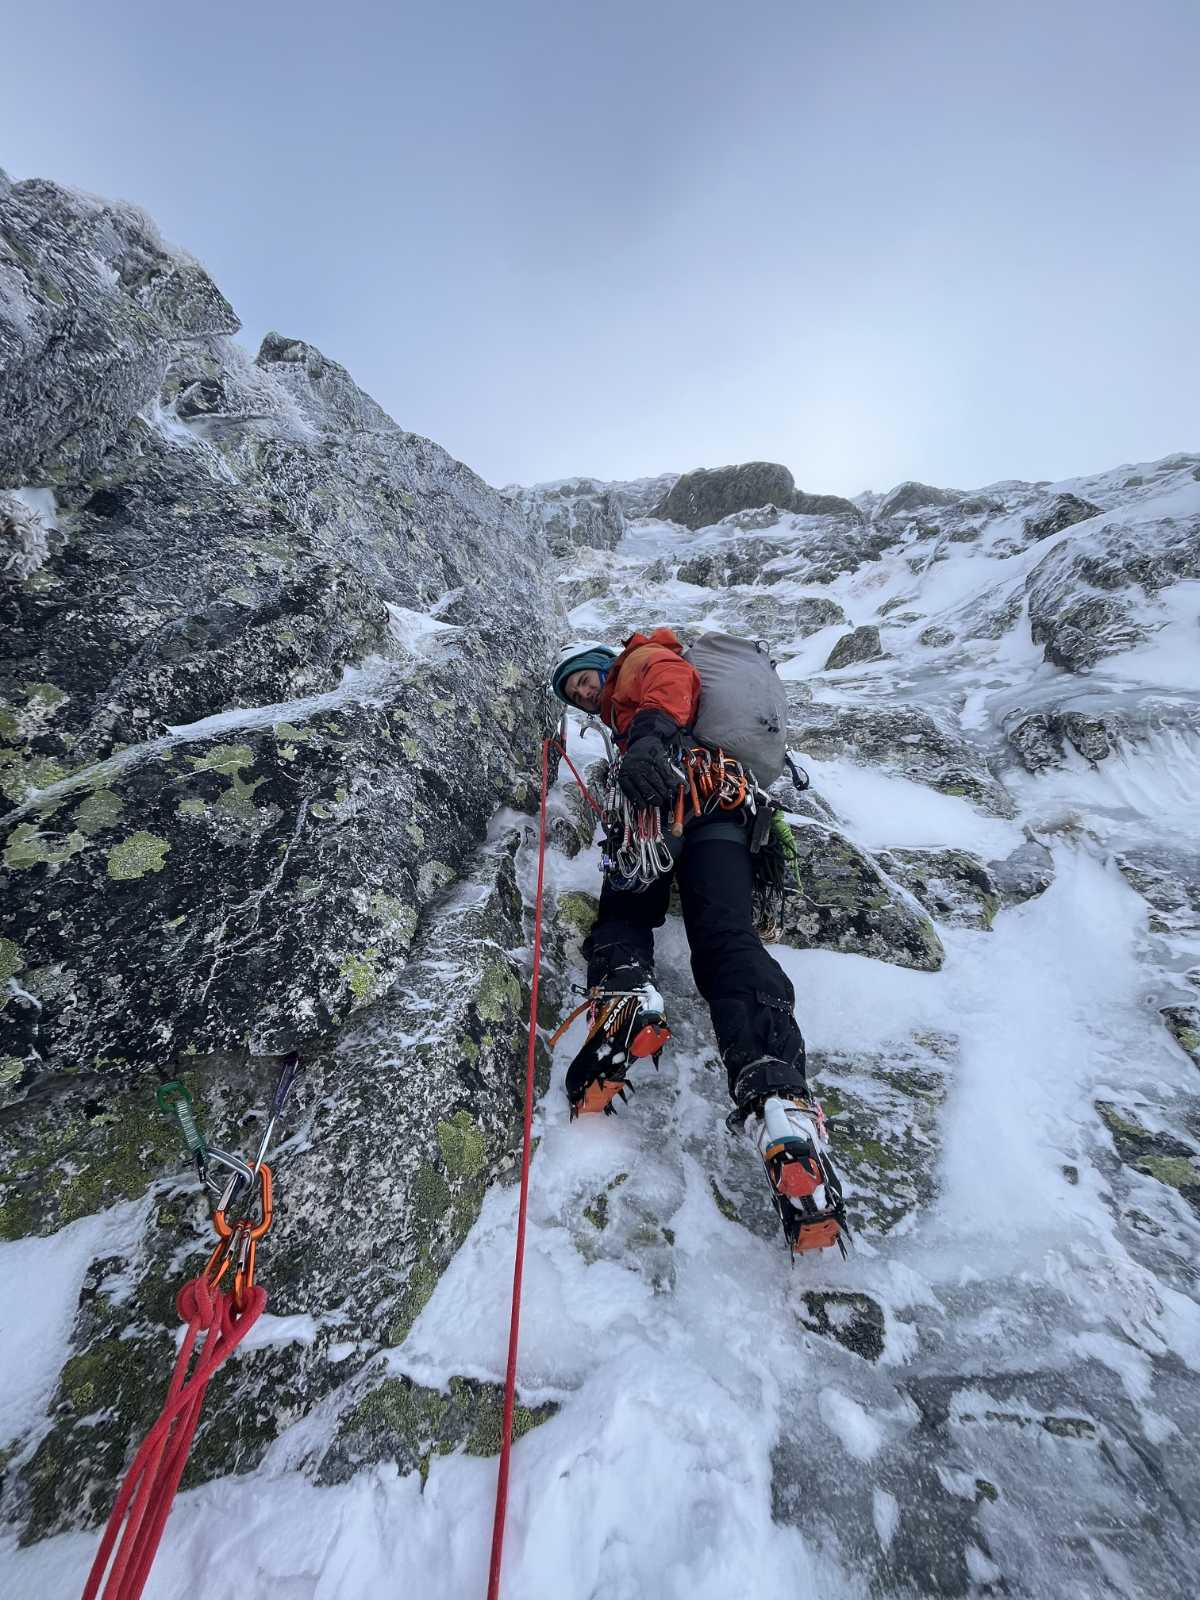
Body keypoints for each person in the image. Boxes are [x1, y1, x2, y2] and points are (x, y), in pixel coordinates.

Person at [551, 629, 846, 1255]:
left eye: (584, 678)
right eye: (575, 693)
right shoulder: (630, 706)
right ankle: (777, 1096)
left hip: (662, 802)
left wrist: (649, 740)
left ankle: (627, 991)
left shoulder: (640, 660)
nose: (584, 692)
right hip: (721, 809)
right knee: (725, 937)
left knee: (627, 907)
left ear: (605, 664)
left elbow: (672, 683)